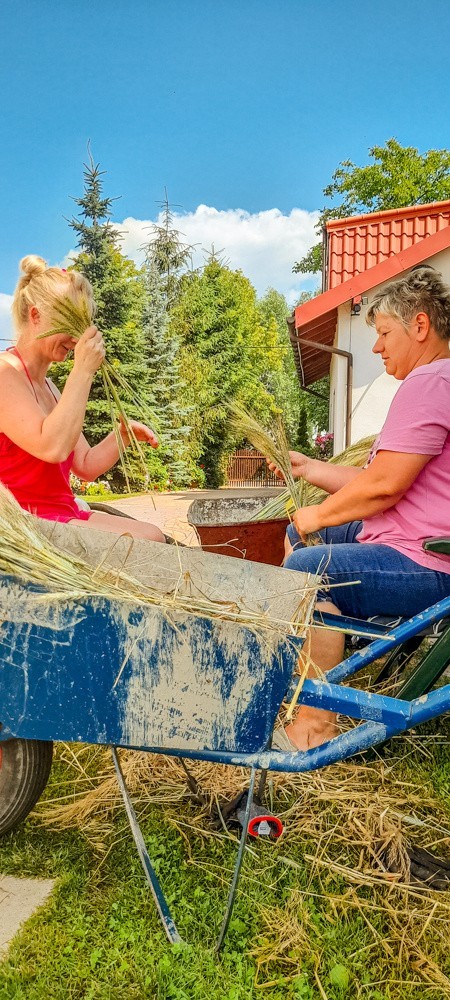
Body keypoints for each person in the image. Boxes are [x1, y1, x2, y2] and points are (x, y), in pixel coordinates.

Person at [268, 266, 450, 752]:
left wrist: (315, 515)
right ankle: (317, 666)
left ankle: (314, 725)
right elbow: (375, 482)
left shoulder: (431, 383)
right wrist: (310, 470)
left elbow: (384, 488)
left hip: (430, 560)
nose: (376, 347)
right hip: (416, 540)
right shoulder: (437, 379)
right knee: (307, 541)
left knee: (309, 566)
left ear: (420, 326)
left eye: (384, 333)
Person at [0, 255, 165, 542]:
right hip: (28, 525)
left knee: (154, 536)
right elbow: (51, 448)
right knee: (148, 543)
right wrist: (83, 369)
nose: (77, 339)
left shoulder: (50, 386)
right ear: (36, 316)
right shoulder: (5, 373)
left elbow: (85, 465)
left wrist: (121, 436)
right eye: (70, 324)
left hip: (63, 514)